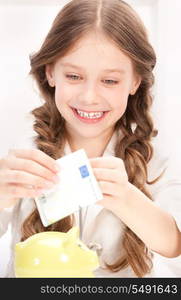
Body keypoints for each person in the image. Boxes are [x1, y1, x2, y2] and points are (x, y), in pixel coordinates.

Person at [0, 0, 180, 278]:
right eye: (74, 76)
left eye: (109, 81)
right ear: (50, 72)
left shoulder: (158, 152)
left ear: (135, 82)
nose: (89, 97)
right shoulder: (19, 143)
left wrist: (126, 198)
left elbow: (173, 245)